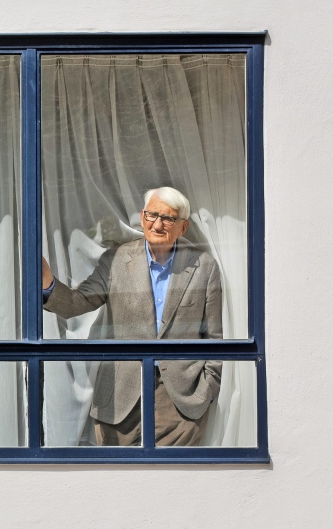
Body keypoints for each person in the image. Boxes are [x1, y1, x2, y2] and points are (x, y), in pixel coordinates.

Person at [41, 187, 222, 446]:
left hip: (180, 404)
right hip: (120, 398)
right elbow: (75, 304)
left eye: (168, 218)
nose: (157, 225)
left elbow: (215, 338)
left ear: (182, 228)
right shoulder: (117, 260)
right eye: (151, 215)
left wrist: (207, 391)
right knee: (116, 481)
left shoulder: (204, 267)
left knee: (175, 483)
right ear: (142, 216)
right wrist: (47, 282)